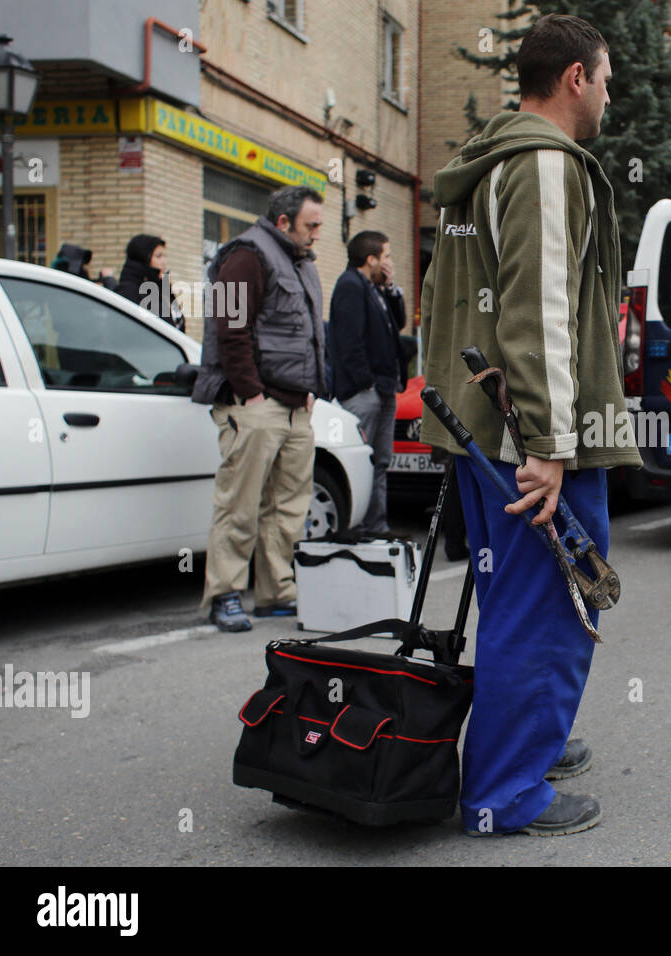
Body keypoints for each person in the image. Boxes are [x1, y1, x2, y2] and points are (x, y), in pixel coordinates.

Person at [419, 12, 640, 836]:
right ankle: (505, 793)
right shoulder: (546, 165)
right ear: (576, 78)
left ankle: (524, 748)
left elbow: (454, 304)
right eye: (608, 79)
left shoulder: (486, 166)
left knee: (515, 601)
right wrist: (546, 446)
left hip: (484, 431)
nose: (611, 94)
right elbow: (539, 313)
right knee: (549, 605)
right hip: (531, 437)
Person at [191, 185, 327, 631]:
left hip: (294, 405)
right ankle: (225, 593)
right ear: (284, 222)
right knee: (240, 504)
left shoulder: (300, 261)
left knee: (288, 507)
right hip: (257, 403)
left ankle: (276, 592)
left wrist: (310, 391)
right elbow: (231, 328)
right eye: (312, 225)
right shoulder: (246, 255)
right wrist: (250, 392)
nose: (318, 234)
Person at [327, 230, 408, 537]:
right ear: (371, 259)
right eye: (385, 256)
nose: (389, 262)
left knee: (379, 460)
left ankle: (376, 525)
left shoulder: (374, 288)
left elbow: (397, 322)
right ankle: (359, 525)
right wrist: (365, 384)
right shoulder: (350, 285)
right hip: (366, 391)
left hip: (384, 388)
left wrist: (390, 286)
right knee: (363, 460)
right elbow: (350, 342)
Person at [114, 234, 184, 330]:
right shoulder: (128, 291)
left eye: (164, 256)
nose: (164, 262)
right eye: (158, 256)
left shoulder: (162, 288)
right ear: (143, 259)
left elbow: (177, 325)